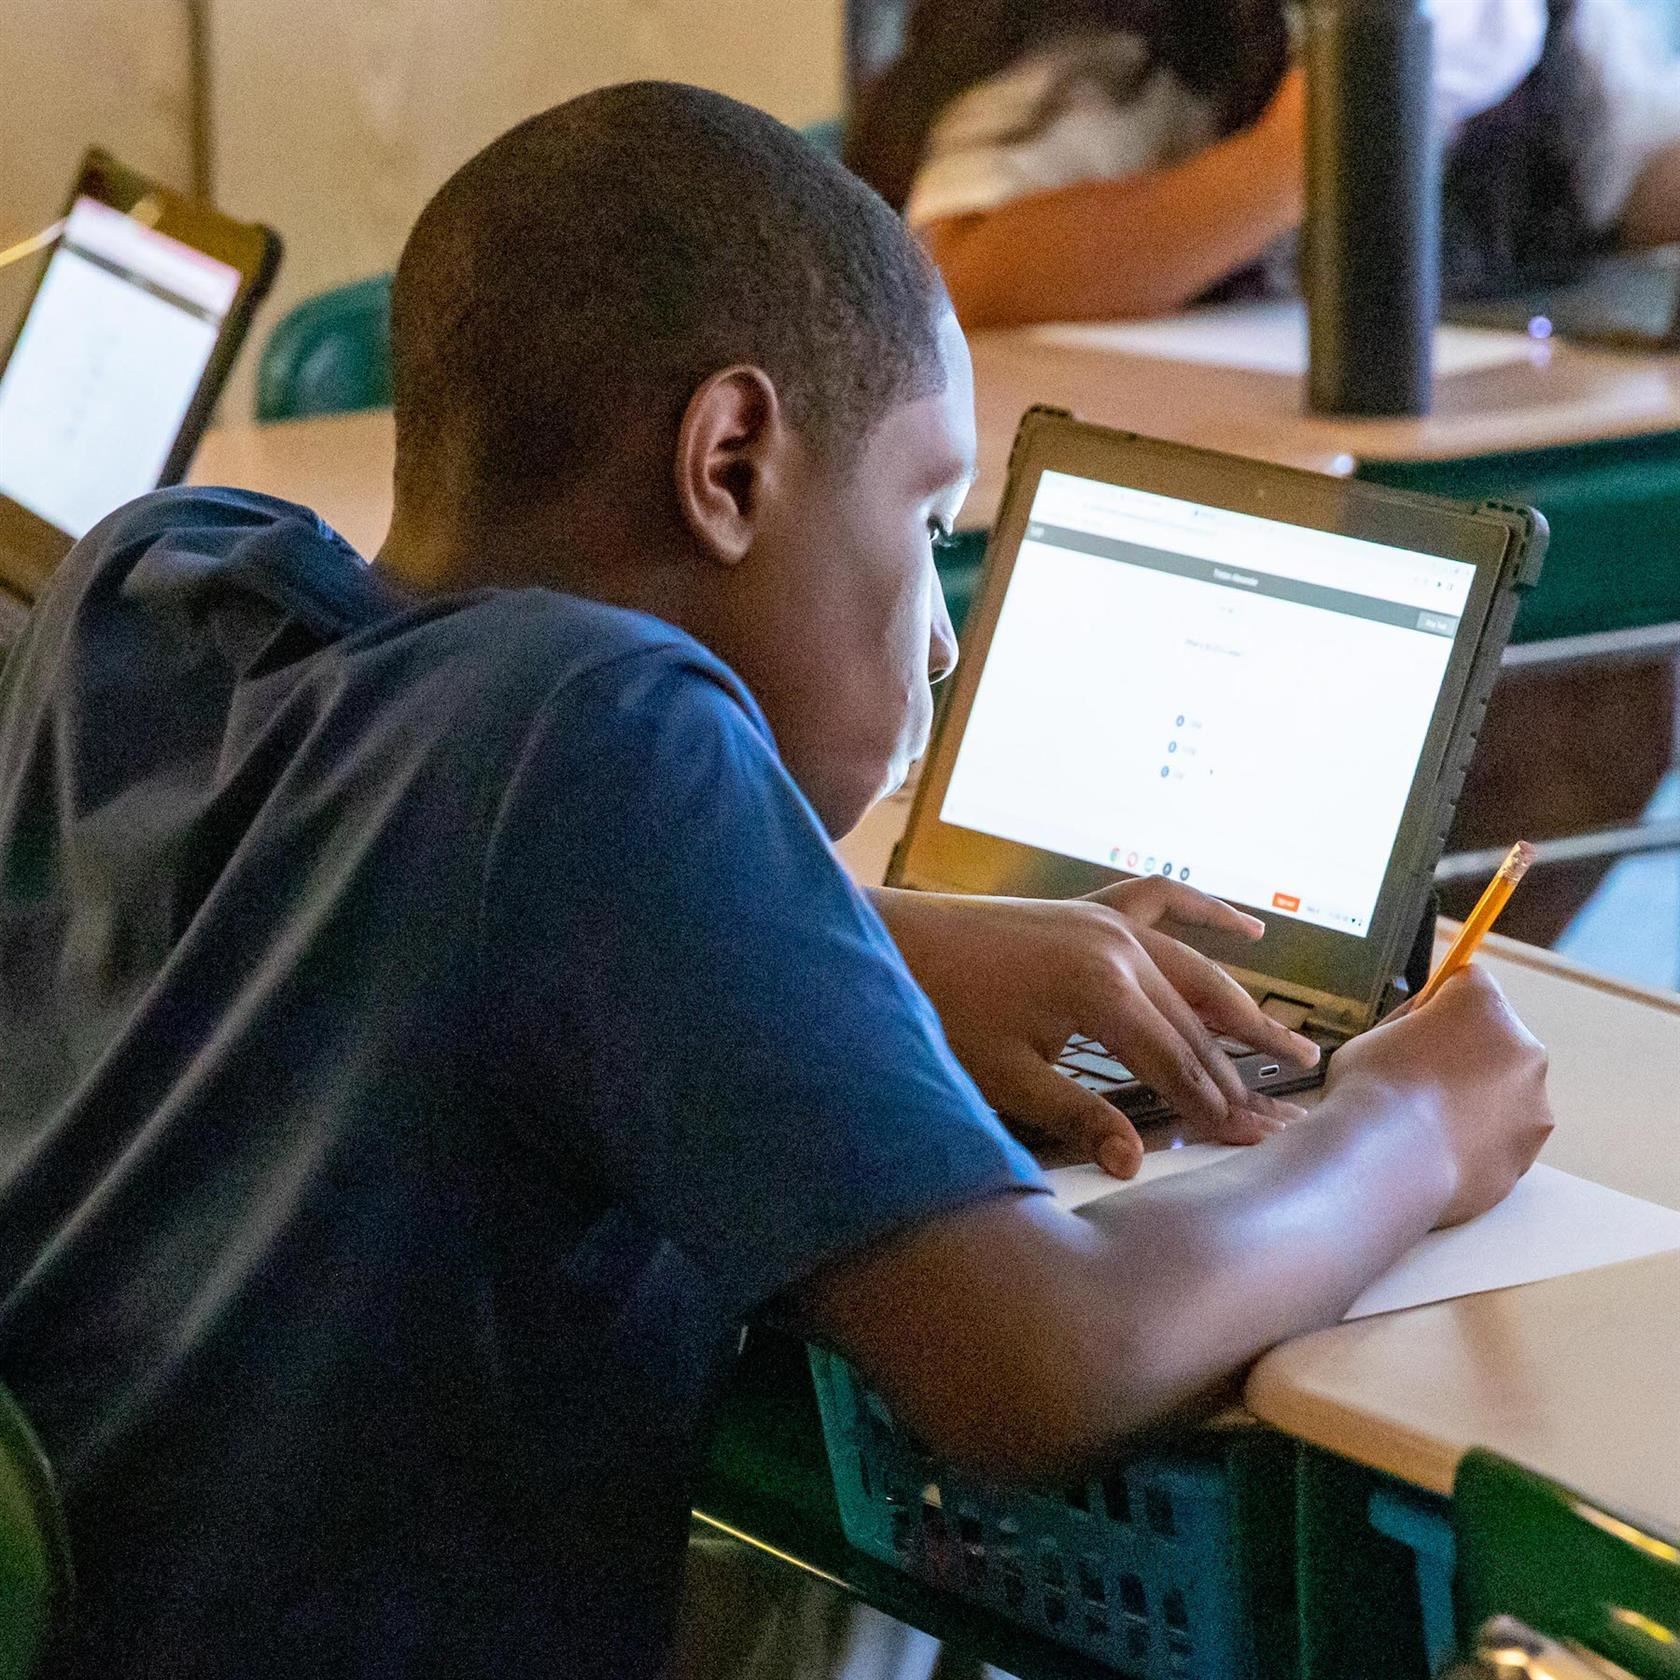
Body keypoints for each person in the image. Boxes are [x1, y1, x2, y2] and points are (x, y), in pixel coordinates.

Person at [0, 83, 1550, 1679]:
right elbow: (1042, 1361)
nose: (939, 633)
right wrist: (1406, 1128)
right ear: (729, 461)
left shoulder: (152, 573)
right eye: (923, 519)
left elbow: (366, 906)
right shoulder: (597, 719)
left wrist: (865, 941)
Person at [846, 0, 1680, 327]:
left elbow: (1627, 176)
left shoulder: (1552, 27)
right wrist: (1315, 142)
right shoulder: (1110, 43)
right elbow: (957, 269)